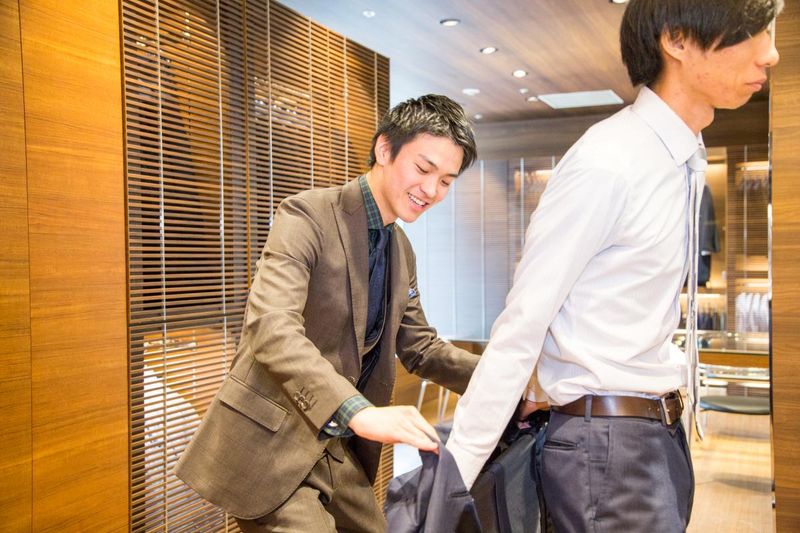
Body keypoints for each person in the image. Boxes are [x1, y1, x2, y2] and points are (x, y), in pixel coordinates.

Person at [446, 1, 781, 531]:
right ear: (677, 40)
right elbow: (525, 320)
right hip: (608, 446)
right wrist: (452, 481)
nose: (771, 53)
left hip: (651, 434)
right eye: (752, 32)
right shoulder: (609, 161)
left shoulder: (681, 157)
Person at [176, 94, 481, 532]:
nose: (432, 191)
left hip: (337, 449)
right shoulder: (307, 215)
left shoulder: (401, 249)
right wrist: (358, 411)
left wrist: (509, 380)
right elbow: (272, 328)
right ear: (384, 149)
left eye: (447, 181)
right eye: (423, 169)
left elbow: (421, 348)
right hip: (272, 445)